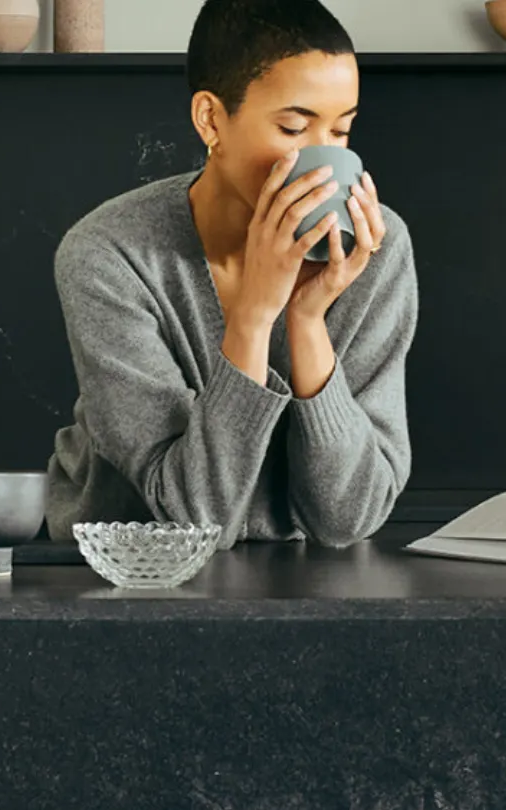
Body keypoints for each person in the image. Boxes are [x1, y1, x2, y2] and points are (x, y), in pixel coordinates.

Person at [45, 0, 415, 547]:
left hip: (297, 576)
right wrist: (255, 317)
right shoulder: (108, 254)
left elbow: (347, 521)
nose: (323, 157)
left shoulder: (372, 248)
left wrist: (307, 320)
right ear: (211, 119)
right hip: (122, 569)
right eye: (294, 127)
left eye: (341, 131)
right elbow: (192, 519)